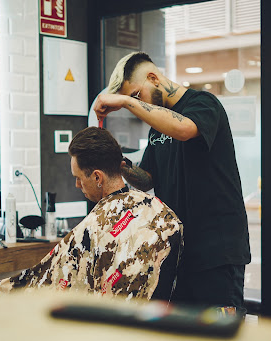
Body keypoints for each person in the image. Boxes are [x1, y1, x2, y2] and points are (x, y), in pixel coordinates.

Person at [94, 52, 251, 313]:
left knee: (220, 334)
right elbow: (146, 179)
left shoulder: (203, 103)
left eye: (136, 95)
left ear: (153, 78)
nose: (136, 105)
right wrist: (118, 163)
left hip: (217, 253)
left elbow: (185, 129)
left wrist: (123, 101)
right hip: (178, 253)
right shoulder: (158, 128)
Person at [0, 127, 183, 301]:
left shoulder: (90, 230)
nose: (77, 184)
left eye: (79, 178)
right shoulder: (164, 213)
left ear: (98, 177)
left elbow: (39, 282)